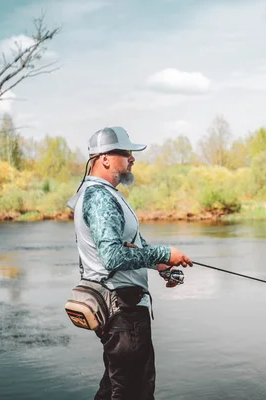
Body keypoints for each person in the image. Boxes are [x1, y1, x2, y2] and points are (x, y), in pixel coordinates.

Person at [66, 126, 192, 400]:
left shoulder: (104, 194)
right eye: (126, 152)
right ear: (104, 158)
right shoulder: (100, 197)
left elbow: (129, 245)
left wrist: (161, 265)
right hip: (123, 309)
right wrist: (163, 253)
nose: (132, 158)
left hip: (120, 308)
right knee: (135, 391)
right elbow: (112, 256)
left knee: (115, 387)